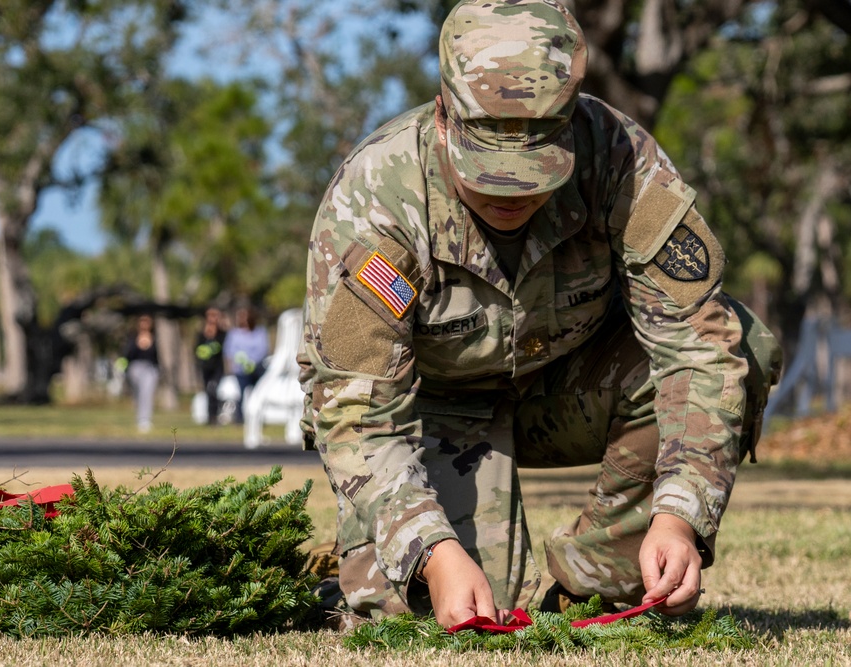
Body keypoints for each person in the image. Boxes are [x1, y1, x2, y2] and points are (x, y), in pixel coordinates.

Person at [299, 0, 783, 630]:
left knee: (744, 343)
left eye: (533, 174)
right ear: (443, 116)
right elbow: (355, 407)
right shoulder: (377, 200)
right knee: (432, 612)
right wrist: (434, 553)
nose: (512, 194)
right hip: (431, 410)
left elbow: (699, 350)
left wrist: (679, 516)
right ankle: (356, 565)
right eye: (488, 174)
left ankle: (601, 582)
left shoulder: (620, 161)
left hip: (563, 389)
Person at [223, 306, 270, 423]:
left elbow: (263, 349)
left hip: (257, 368)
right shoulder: (234, 334)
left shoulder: (260, 332)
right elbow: (230, 350)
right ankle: (240, 418)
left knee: (257, 393)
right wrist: (240, 361)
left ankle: (258, 417)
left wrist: (252, 361)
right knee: (241, 393)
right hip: (241, 370)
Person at [122, 314, 159, 433]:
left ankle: (145, 420)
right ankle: (139, 417)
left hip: (149, 368)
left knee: (146, 393)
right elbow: (128, 355)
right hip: (135, 368)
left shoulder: (154, 337)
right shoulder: (133, 337)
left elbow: (157, 356)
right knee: (138, 395)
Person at [194, 307, 227, 426]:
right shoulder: (202, 333)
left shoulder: (222, 333)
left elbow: (224, 347)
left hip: (217, 367)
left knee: (213, 389)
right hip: (205, 367)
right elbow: (196, 349)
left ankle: (215, 415)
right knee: (208, 390)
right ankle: (210, 416)